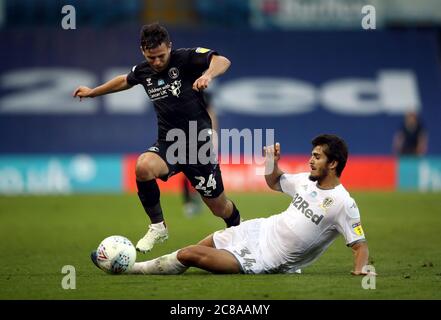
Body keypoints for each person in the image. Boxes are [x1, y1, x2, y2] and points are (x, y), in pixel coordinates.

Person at [92, 134, 374, 276]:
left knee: (191, 254)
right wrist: (271, 161)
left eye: (317, 157)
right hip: (256, 229)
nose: (310, 161)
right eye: (312, 155)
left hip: (266, 258)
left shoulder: (343, 203)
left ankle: (132, 268)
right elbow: (274, 182)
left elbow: (360, 245)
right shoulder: (305, 180)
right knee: (199, 246)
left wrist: (361, 269)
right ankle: (138, 265)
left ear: (333, 163)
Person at [73, 23, 241, 253]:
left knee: (219, 207)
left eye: (161, 56)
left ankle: (240, 231)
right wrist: (93, 92)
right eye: (151, 57)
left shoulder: (185, 58)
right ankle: (158, 226)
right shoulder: (144, 71)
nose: (157, 62)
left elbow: (223, 61)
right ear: (143, 51)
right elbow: (124, 80)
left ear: (169, 47)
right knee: (143, 167)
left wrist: (208, 75)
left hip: (198, 146)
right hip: (168, 143)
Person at [182, 91, 218, 217]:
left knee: (206, 170)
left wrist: (212, 133)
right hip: (187, 136)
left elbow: (211, 113)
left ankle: (203, 199)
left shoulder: (204, 95)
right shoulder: (182, 91)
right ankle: (188, 202)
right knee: (186, 171)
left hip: (203, 136)